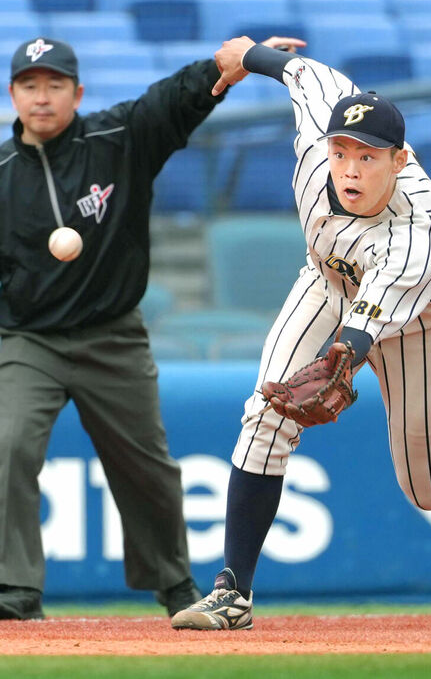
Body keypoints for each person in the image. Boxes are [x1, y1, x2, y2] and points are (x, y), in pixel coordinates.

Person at [171, 37, 431, 631]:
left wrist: (339, 365)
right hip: (330, 284)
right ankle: (233, 592)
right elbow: (304, 75)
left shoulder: (420, 232)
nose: (350, 167)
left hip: (420, 326)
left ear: (400, 160)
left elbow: (368, 324)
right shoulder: (316, 149)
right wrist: (249, 55)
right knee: (265, 414)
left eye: (369, 156)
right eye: (343, 151)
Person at [0, 35, 304, 621]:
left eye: (55, 84)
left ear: (77, 93)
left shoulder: (117, 138)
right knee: (6, 445)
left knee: (147, 467)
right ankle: (14, 590)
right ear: (13, 94)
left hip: (112, 335)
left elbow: (171, 101)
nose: (42, 97)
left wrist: (227, 65)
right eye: (30, 86)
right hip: (28, 339)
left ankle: (175, 588)